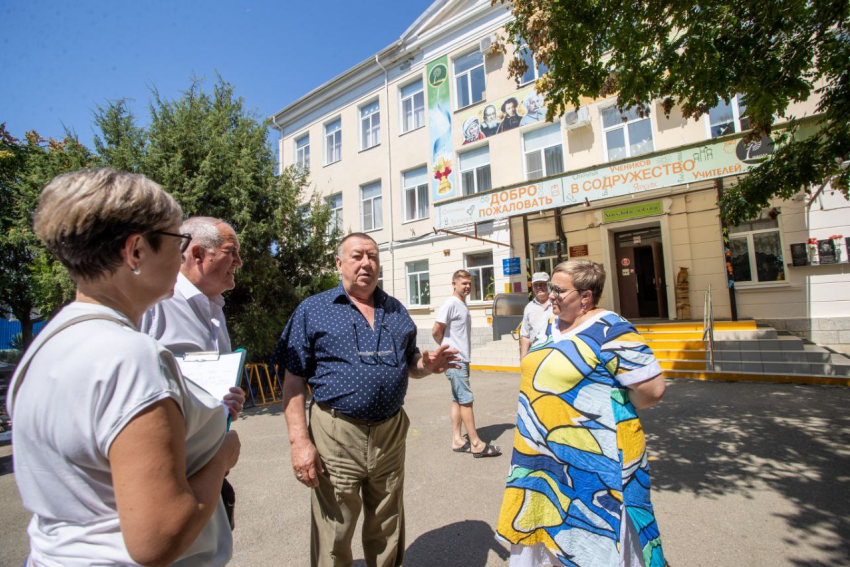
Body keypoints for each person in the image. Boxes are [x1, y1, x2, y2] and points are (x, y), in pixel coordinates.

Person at [7, 168, 240, 566]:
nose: (182, 254)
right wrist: (222, 456)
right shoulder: (132, 358)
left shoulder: (47, 344)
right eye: (175, 241)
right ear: (135, 251)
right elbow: (157, 540)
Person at [273, 232, 459, 567]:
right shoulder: (314, 310)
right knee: (335, 527)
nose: (366, 263)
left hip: (389, 432)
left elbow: (410, 363)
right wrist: (299, 441)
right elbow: (293, 379)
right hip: (336, 432)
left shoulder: (396, 309)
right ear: (339, 263)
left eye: (372, 256)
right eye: (357, 255)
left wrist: (426, 366)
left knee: (387, 522)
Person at [496, 259, 667, 567]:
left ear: (586, 297)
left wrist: (610, 408)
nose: (551, 296)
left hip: (592, 462)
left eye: (559, 290)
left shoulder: (611, 329)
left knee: (594, 535)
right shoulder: (552, 323)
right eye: (550, 289)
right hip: (542, 456)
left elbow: (652, 390)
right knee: (549, 530)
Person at [140, 216, 245, 415]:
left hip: (210, 441)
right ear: (198, 254)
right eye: (231, 251)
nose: (238, 263)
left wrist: (227, 399)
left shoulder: (214, 308)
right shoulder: (153, 302)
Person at [432, 270, 501, 458]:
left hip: (461, 359)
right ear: (454, 284)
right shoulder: (451, 303)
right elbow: (436, 330)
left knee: (457, 399)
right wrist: (446, 351)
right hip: (456, 361)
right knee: (466, 400)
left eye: (469, 283)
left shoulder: (461, 304)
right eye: (463, 283)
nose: (467, 286)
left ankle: (457, 439)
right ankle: (476, 443)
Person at [519, 271, 553, 358]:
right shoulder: (529, 308)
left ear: (549, 285)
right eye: (536, 285)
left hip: (555, 353)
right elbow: (525, 336)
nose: (539, 287)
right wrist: (523, 359)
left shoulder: (558, 303)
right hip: (536, 353)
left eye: (542, 284)